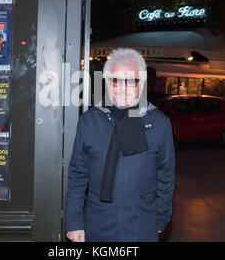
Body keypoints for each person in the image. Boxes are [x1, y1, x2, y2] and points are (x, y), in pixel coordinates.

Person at [65, 48, 176, 242]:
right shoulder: (90, 121)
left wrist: (161, 220)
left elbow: (165, 177)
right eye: (115, 80)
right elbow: (77, 175)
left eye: (131, 81)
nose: (123, 87)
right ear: (107, 83)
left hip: (143, 224)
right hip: (98, 224)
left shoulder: (159, 123)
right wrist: (74, 223)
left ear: (141, 84)